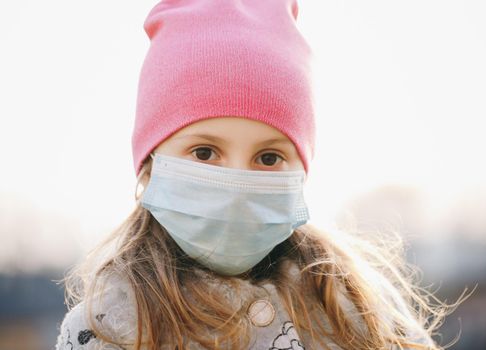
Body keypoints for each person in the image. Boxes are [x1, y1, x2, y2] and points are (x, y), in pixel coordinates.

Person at [55, 0, 455, 349]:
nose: (237, 187)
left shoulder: (357, 309)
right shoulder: (108, 328)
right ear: (150, 164)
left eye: (268, 158)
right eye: (205, 152)